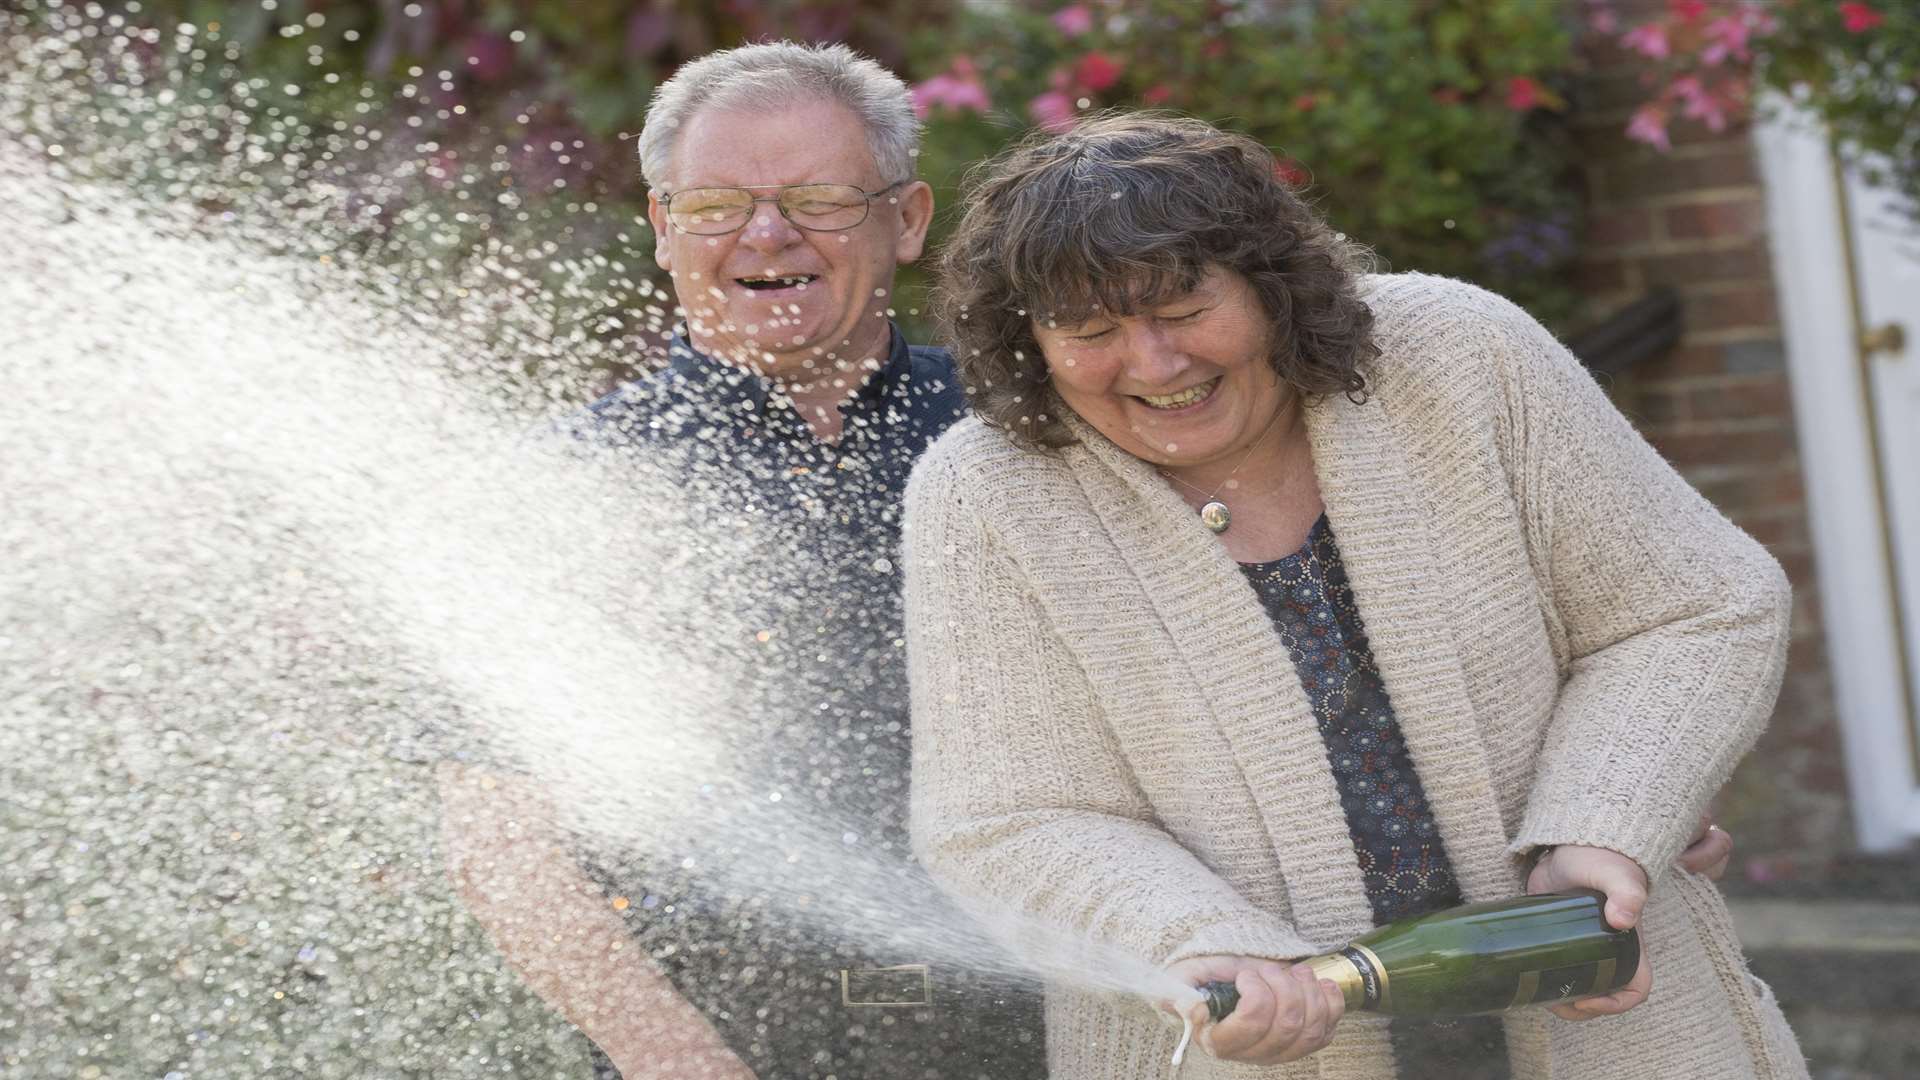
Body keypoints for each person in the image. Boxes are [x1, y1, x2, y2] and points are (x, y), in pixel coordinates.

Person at [901, 112, 1801, 1080]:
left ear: (1271, 281)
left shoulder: (1461, 355)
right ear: (1029, 342)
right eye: (1090, 331)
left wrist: (1605, 826)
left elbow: (1695, 607)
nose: (1156, 363)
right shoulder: (985, 493)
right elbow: (1006, 817)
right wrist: (1198, 939)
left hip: (1616, 1030)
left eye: (1185, 307)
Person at [435, 42, 1046, 1080]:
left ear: (905, 220)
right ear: (665, 230)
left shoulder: (1024, 438)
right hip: (710, 1048)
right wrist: (685, 1065)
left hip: (1039, 1042)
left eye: (818, 197)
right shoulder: (560, 487)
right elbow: (503, 852)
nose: (767, 233)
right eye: (715, 203)